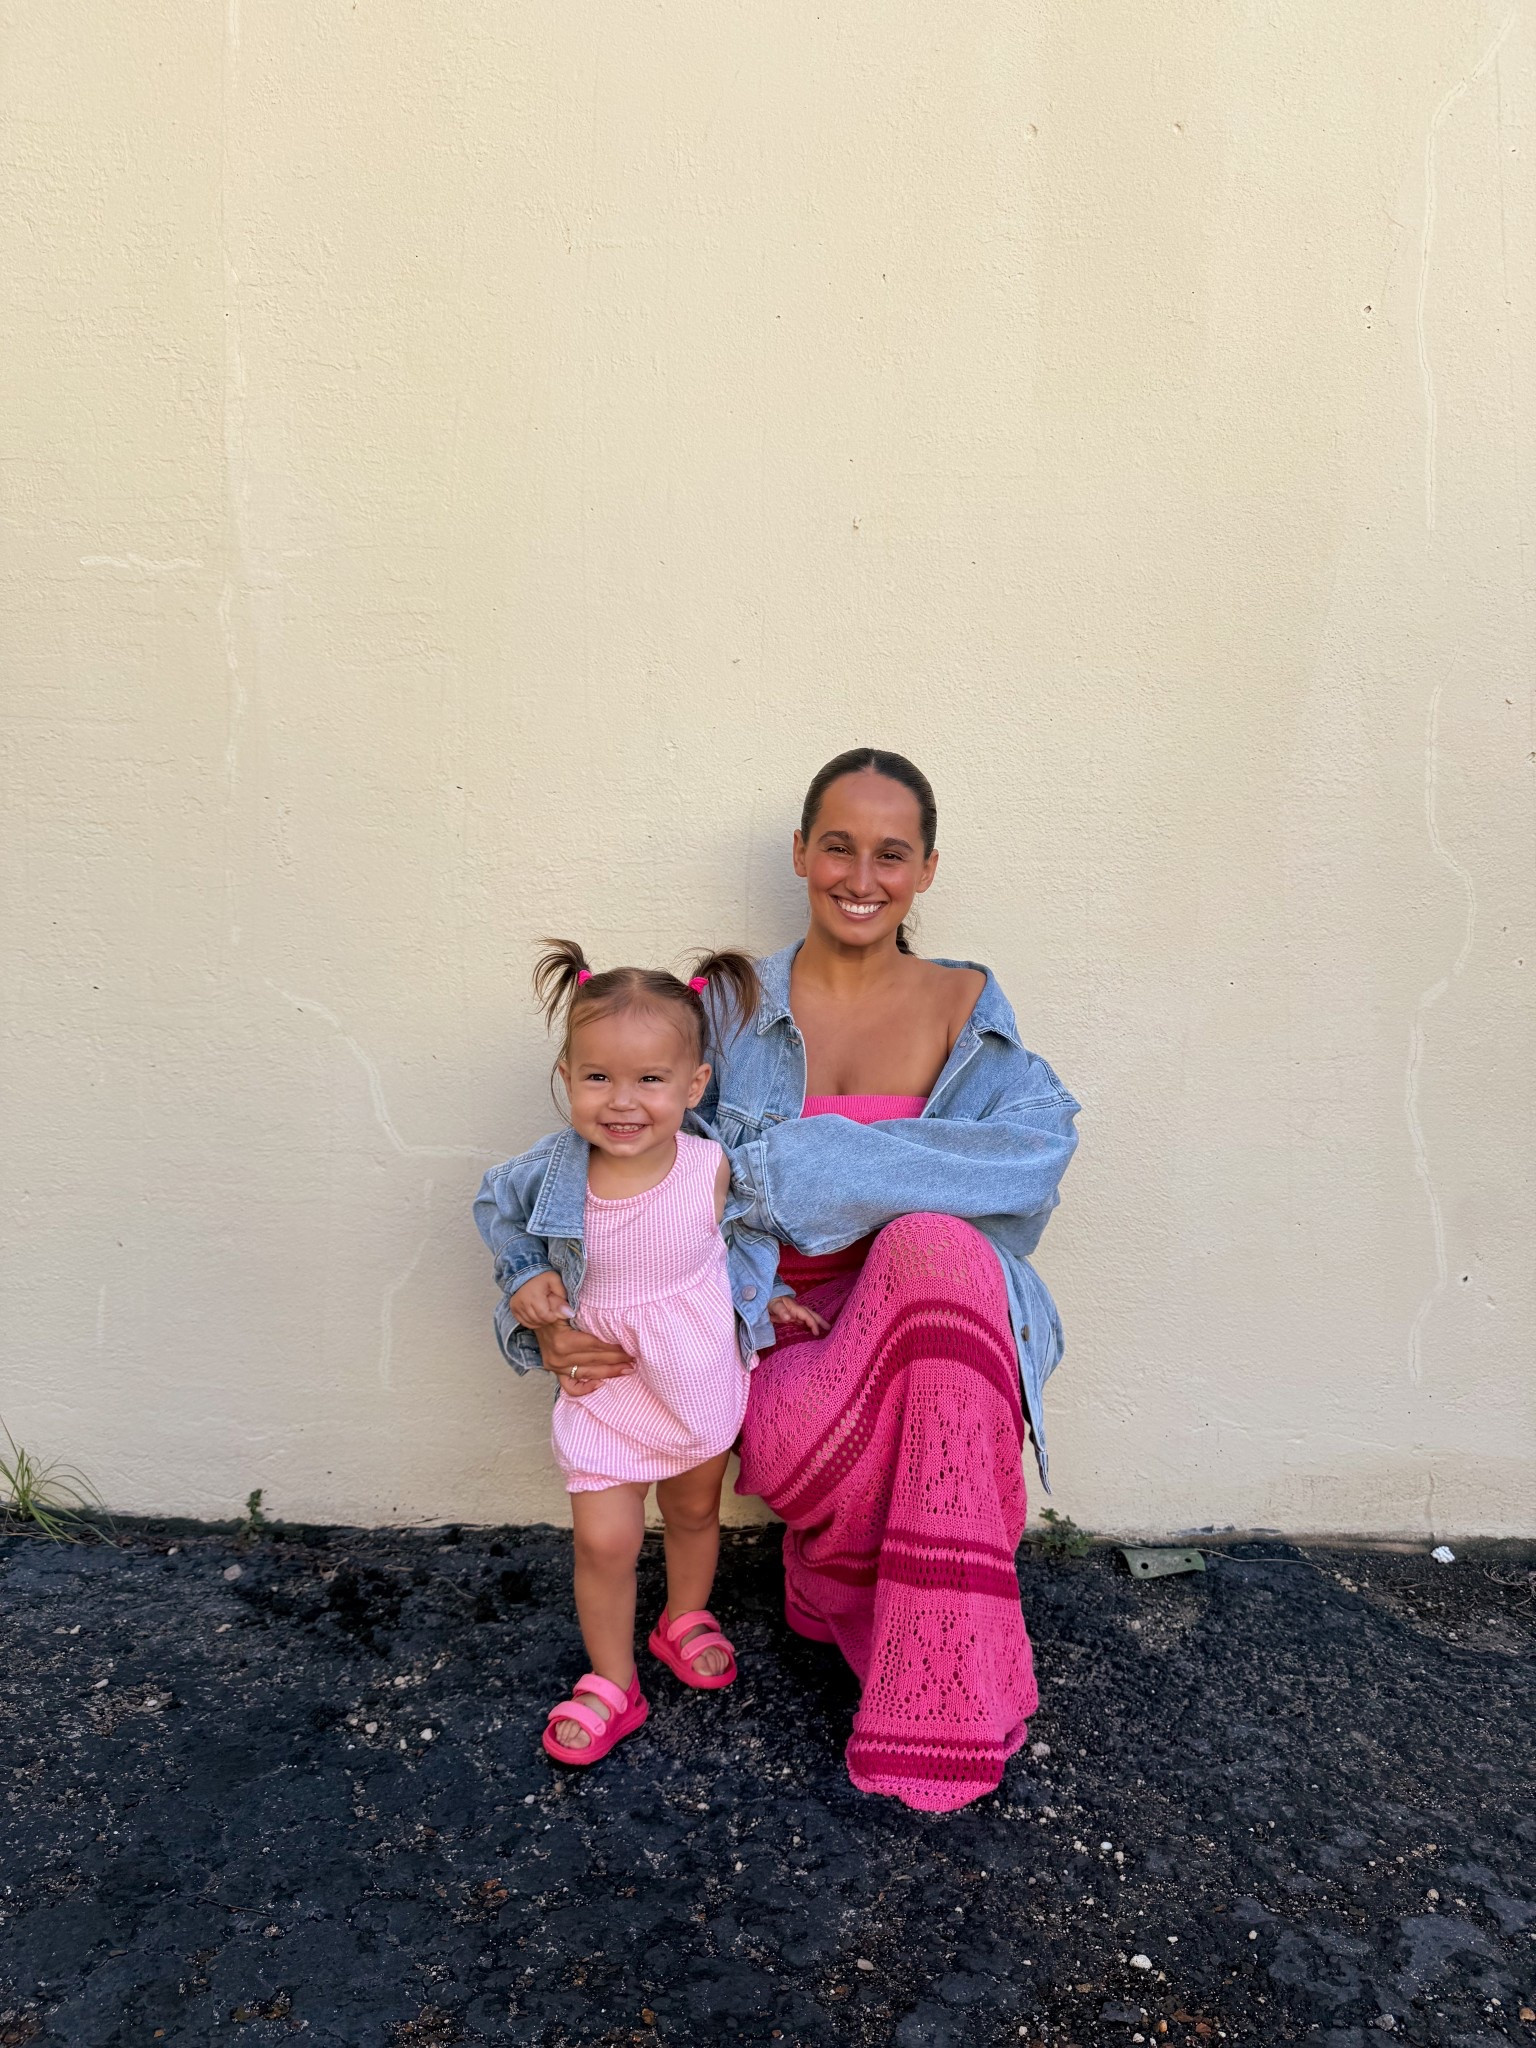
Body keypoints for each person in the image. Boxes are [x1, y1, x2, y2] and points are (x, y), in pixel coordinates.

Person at [715, 747, 1080, 1812]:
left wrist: (795, 1168)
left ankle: (933, 1681)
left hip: (936, 1335)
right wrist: (546, 1294)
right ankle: (857, 1598)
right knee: (933, 1234)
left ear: (925, 870)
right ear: (800, 852)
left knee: (932, 1248)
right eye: (838, 845)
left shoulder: (969, 1005)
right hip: (773, 1343)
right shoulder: (728, 1007)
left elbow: (1035, 1157)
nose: (860, 875)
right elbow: (632, 1164)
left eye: (890, 852)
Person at [472, 943, 817, 1765]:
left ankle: (684, 1616)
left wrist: (758, 1297)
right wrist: (523, 1277)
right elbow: (495, 1209)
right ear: (567, 1075)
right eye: (597, 1078)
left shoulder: (710, 1167)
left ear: (694, 1085)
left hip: (694, 1375)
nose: (622, 1102)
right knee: (604, 1540)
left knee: (694, 1512)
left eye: (650, 1080)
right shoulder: (551, 1174)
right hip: (604, 1389)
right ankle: (612, 1681)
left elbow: (738, 1243)